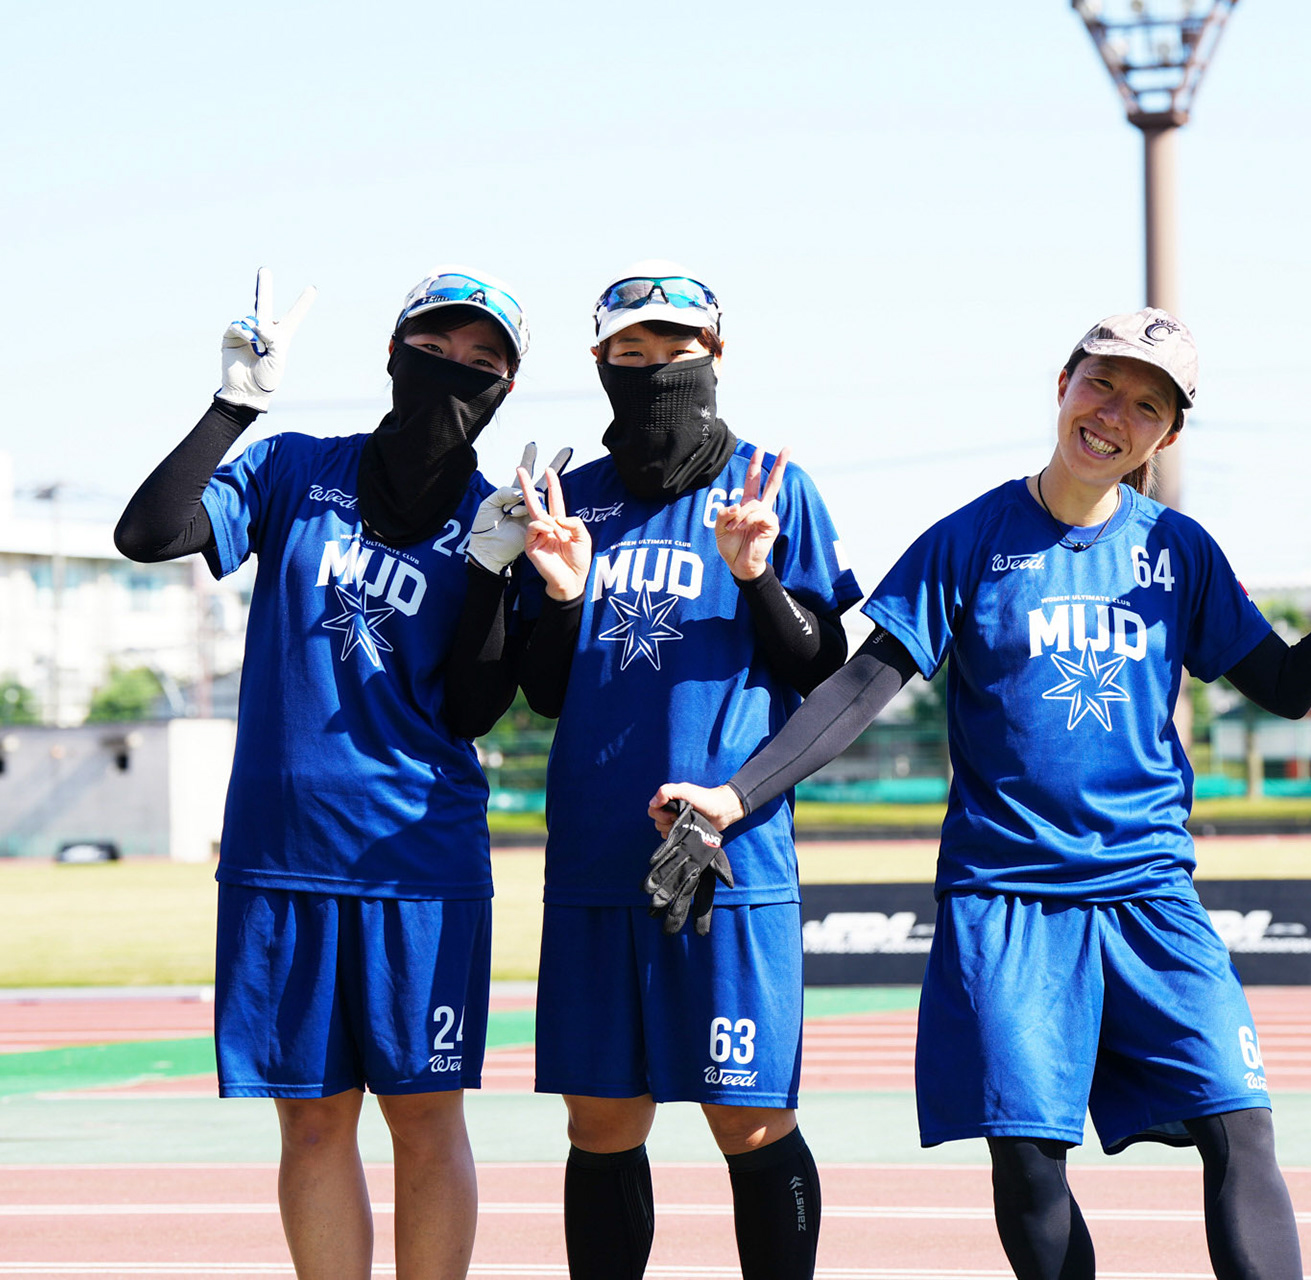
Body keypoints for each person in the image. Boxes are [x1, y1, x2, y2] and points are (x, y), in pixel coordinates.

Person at [648, 309, 1311, 1280]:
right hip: (1007, 899)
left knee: (1240, 1123)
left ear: (1168, 435)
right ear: (1063, 384)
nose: (1116, 414)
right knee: (1028, 1160)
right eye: (1103, 384)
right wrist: (735, 794)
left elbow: (1287, 684)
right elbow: (860, 687)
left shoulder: (1179, 551)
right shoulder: (971, 539)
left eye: (1148, 406)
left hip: (1151, 894)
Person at [114, 265, 534, 1278]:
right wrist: (233, 407)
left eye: (482, 362)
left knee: (425, 1118)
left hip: (417, 859)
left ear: (507, 390)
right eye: (434, 347)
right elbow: (148, 532)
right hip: (282, 852)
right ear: (393, 354)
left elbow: (475, 709)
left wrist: (491, 575)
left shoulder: (494, 516)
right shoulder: (295, 467)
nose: (455, 369)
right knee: (310, 1121)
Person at [444, 261, 860, 1280]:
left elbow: (822, 667)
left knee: (748, 1119)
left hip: (730, 858)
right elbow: (547, 691)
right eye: (630, 352)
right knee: (601, 1120)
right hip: (596, 856)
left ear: (715, 355)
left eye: (675, 348)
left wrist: (756, 576)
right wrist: (564, 594)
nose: (654, 367)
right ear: (599, 362)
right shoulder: (573, 500)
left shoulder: (771, 485)